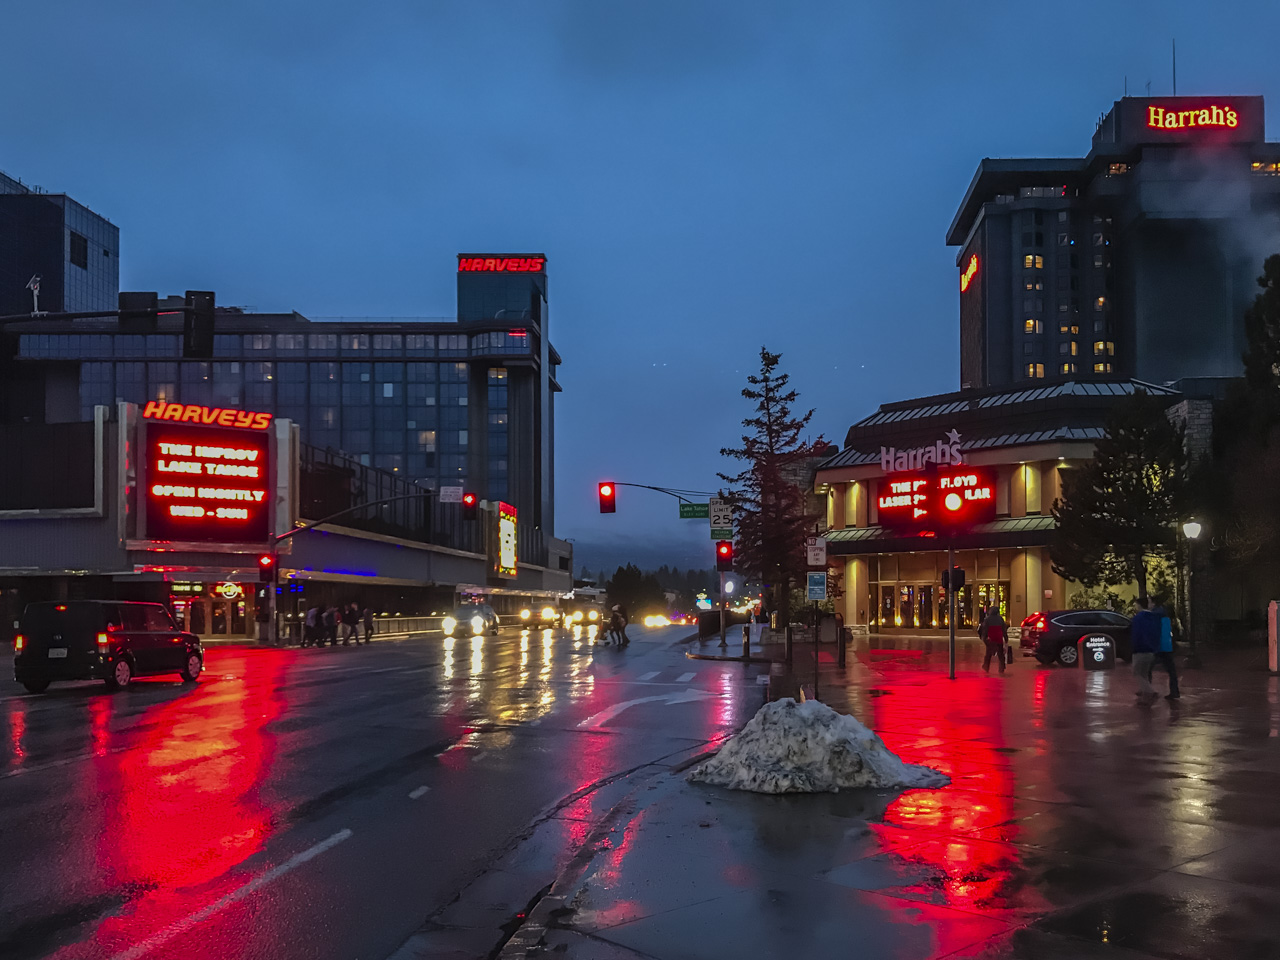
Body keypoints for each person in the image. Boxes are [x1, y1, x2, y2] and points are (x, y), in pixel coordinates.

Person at [1150, 601, 1181, 700]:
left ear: (1154, 604)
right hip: (1166, 646)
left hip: (1158, 647)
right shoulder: (1165, 616)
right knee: (1171, 670)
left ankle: (1147, 690)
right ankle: (1174, 691)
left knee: (1147, 668)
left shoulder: (1155, 617)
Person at [1130, 598, 1159, 701]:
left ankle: (1149, 692)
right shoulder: (1153, 617)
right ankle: (1146, 694)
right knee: (1144, 673)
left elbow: (1136, 634)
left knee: (1138, 672)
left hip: (1140, 649)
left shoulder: (1138, 618)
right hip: (1150, 649)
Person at [980, 606, 1007, 673]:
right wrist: (1006, 638)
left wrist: (984, 637)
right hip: (999, 637)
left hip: (991, 638)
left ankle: (986, 666)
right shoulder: (1000, 619)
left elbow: (985, 629)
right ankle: (1002, 668)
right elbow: (1003, 629)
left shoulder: (987, 619)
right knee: (1000, 654)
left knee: (988, 653)